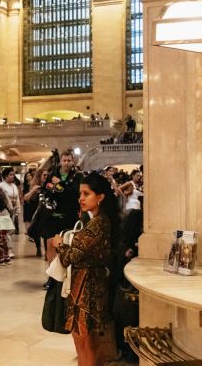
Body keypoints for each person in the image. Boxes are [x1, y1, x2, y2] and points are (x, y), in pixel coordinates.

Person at [55, 172, 119, 366]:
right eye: (80, 194)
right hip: (86, 284)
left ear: (100, 197)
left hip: (88, 288)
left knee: (86, 342)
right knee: (81, 340)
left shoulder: (98, 224)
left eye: (86, 193)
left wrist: (59, 244)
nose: (81, 198)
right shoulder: (98, 221)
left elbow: (69, 257)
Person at [43, 151, 83, 265]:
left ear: (73, 161)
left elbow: (74, 193)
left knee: (65, 245)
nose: (66, 163)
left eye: (69, 161)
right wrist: (53, 188)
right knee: (50, 243)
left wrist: (60, 184)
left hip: (69, 215)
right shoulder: (53, 174)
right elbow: (46, 189)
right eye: (64, 160)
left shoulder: (77, 175)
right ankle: (51, 275)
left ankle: (63, 276)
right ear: (60, 161)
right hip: (52, 215)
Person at [0, 168, 20, 263]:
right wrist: (9, 207)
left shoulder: (14, 186)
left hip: (13, 210)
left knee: (11, 231)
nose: (12, 176)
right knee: (4, 231)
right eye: (10, 175)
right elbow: (4, 198)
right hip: (4, 210)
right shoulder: (1, 186)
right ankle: (7, 251)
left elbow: (17, 197)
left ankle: (9, 250)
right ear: (5, 176)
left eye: (13, 175)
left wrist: (17, 209)